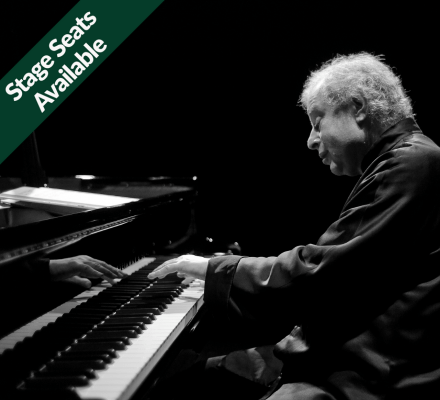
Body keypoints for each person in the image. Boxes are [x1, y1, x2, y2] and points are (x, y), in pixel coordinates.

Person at [147, 53, 440, 399]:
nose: (311, 140)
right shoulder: (404, 161)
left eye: (318, 122)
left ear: (358, 108)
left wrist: (216, 269)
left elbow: (320, 271)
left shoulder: (412, 163)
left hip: (363, 375)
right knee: (185, 380)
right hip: (333, 352)